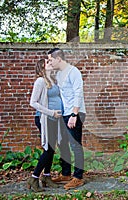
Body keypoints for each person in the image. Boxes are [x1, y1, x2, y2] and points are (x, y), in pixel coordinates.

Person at [48, 48, 86, 190]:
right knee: (63, 143)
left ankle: (78, 177)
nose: (50, 63)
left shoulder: (73, 71)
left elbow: (78, 93)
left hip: (75, 114)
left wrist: (74, 114)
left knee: (75, 145)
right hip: (65, 114)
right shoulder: (59, 74)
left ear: (59, 59)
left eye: (51, 60)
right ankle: (66, 174)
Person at [27, 58, 64, 192]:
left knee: (51, 149)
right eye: (47, 63)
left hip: (54, 119)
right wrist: (51, 113)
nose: (50, 63)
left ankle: (47, 177)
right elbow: (33, 102)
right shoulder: (40, 81)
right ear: (42, 67)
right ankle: (34, 177)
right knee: (48, 149)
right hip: (44, 118)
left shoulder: (53, 81)